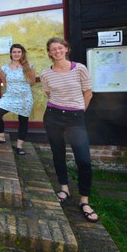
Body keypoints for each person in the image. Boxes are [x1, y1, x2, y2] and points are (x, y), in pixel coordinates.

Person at [41, 37, 99, 223]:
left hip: (75, 119)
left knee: (83, 160)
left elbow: (88, 93)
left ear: (66, 49)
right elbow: (49, 94)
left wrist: (79, 111)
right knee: (58, 154)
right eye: (53, 49)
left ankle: (84, 200)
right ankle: (64, 188)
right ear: (49, 53)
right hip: (53, 116)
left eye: (60, 48)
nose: (57, 51)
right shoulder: (46, 73)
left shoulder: (79, 68)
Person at [0, 44, 36, 155]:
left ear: (22, 53)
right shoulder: (4, 68)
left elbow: (32, 82)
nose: (16, 54)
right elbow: (4, 82)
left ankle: (19, 146)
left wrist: (22, 89)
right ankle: (1, 136)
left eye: (19, 52)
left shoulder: (29, 66)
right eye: (14, 52)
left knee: (23, 121)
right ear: (11, 54)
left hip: (24, 98)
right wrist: (13, 90)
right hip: (10, 97)